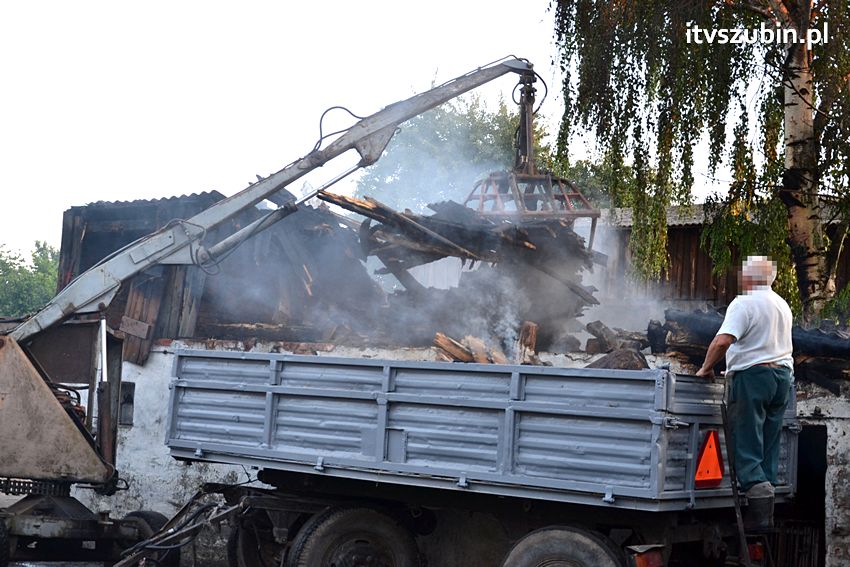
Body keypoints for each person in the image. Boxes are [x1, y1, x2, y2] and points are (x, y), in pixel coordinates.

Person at [696, 255, 793, 529]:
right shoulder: (782, 304)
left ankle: (757, 511)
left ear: (749, 277)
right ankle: (767, 504)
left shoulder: (744, 303)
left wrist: (705, 368)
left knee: (747, 438)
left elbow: (723, 340)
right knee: (768, 442)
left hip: (754, 376)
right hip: (782, 376)